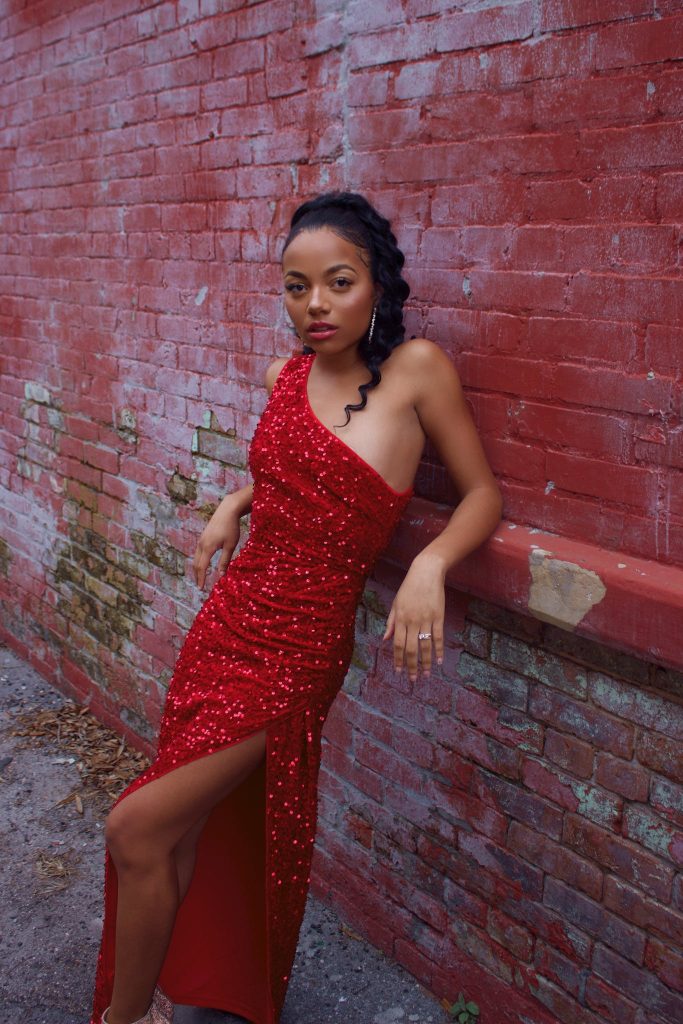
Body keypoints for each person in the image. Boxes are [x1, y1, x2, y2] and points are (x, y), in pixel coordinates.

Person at [90, 191, 502, 1024]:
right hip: (227, 625)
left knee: (134, 828)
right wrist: (236, 500)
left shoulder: (417, 370)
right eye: (295, 285)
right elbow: (295, 476)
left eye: (337, 282)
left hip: (296, 652)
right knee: (176, 828)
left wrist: (429, 563)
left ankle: (120, 1018)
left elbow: (482, 494)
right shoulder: (284, 374)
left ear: (376, 285)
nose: (314, 304)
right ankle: (162, 996)